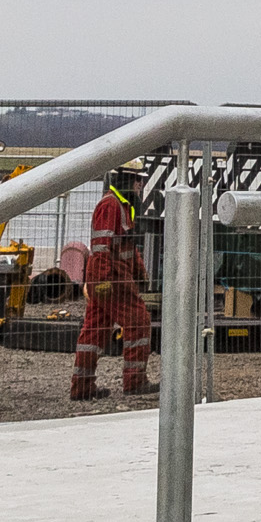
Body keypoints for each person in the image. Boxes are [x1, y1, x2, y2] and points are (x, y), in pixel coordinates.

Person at [72, 168, 158, 401]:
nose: (140, 185)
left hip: (110, 278)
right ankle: (135, 381)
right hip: (113, 279)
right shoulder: (110, 206)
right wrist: (102, 281)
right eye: (138, 180)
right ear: (128, 180)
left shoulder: (121, 207)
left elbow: (128, 246)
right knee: (139, 322)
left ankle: (82, 387)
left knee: (95, 331)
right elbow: (102, 246)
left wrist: (140, 273)